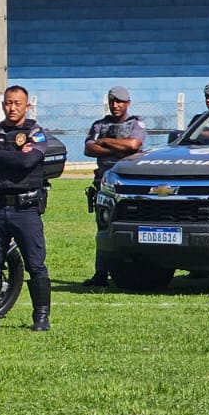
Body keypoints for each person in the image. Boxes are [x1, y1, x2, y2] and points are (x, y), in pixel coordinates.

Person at [0, 85, 52, 332]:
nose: (12, 107)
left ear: (27, 106)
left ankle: (41, 318)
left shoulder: (35, 132)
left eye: (17, 103)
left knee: (35, 264)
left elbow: (29, 161)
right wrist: (11, 159)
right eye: (8, 103)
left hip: (25, 209)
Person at [82, 86, 147, 287]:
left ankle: (137, 270)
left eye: (119, 102)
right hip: (103, 183)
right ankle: (100, 273)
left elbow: (133, 146)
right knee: (104, 228)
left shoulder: (136, 124)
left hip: (129, 184)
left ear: (128, 103)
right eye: (112, 102)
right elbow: (88, 148)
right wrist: (119, 147)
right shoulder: (99, 124)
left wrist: (105, 142)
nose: (115, 105)